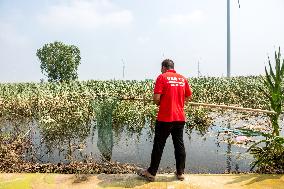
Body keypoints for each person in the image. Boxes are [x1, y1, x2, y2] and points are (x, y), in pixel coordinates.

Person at [140, 59, 192, 181]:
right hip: (180, 118)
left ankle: (151, 173)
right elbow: (189, 96)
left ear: (164, 67)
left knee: (158, 145)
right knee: (179, 145)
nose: (160, 70)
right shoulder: (182, 78)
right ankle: (180, 173)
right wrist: (178, 102)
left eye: (161, 68)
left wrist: (159, 103)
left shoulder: (162, 77)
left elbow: (156, 98)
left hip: (165, 118)